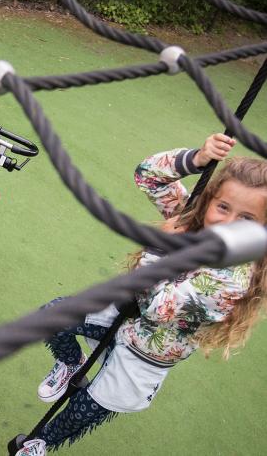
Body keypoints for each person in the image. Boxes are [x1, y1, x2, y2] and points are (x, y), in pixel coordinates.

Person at [16, 133, 267, 455]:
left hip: (150, 350)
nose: (228, 223)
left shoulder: (232, 281)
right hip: (122, 310)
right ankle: (71, 363)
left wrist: (159, 247)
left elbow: (158, 308)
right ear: (211, 201)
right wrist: (198, 159)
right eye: (223, 207)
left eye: (246, 218)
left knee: (90, 405)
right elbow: (148, 175)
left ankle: (44, 441)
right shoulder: (193, 223)